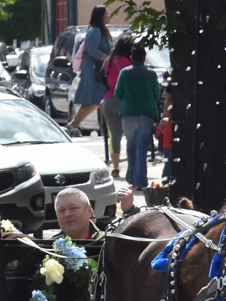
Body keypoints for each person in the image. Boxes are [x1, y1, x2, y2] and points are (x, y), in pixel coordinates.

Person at [114, 45, 161, 190]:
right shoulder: (152, 74)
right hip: (147, 114)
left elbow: (118, 94)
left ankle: (131, 178)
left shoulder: (124, 73)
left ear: (131, 58)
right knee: (142, 148)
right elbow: (157, 95)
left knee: (131, 147)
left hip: (129, 114)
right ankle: (140, 180)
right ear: (144, 57)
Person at [66, 5, 112, 137]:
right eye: (106, 14)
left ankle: (73, 124)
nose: (108, 16)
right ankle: (75, 124)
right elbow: (92, 49)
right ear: (101, 16)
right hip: (93, 71)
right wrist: (108, 59)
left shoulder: (103, 31)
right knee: (94, 100)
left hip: (99, 71)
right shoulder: (96, 31)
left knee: (95, 101)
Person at [100, 33, 132, 177]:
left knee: (114, 135)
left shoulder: (108, 61)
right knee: (131, 133)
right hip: (124, 101)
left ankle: (116, 167)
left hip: (108, 101)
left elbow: (102, 79)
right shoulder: (126, 62)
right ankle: (132, 165)